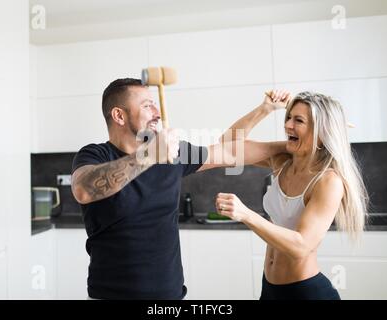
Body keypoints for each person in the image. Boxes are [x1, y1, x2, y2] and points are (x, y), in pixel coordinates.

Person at [70, 78, 288, 299]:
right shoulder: (95, 155)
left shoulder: (174, 154)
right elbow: (84, 189)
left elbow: (230, 152)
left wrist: (287, 140)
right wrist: (149, 155)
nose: (157, 112)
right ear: (119, 115)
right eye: (147, 105)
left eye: (155, 104)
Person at [216, 91, 368, 300]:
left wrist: (247, 215)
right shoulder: (282, 161)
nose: (287, 125)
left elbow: (301, 246)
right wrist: (265, 109)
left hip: (305, 292)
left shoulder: (328, 181)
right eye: (288, 117)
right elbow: (227, 146)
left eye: (298, 120)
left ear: (321, 132)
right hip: (269, 289)